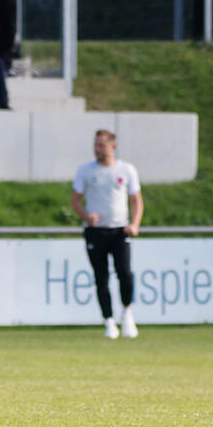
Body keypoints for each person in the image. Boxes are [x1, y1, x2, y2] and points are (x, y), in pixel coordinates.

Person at [70, 130, 143, 340]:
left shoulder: (126, 170)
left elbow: (136, 200)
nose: (97, 149)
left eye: (101, 145)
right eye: (96, 145)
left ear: (113, 146)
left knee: (125, 273)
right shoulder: (86, 171)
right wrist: (85, 215)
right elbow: (75, 199)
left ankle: (127, 313)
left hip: (120, 230)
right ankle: (109, 321)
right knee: (101, 278)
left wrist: (135, 224)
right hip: (95, 231)